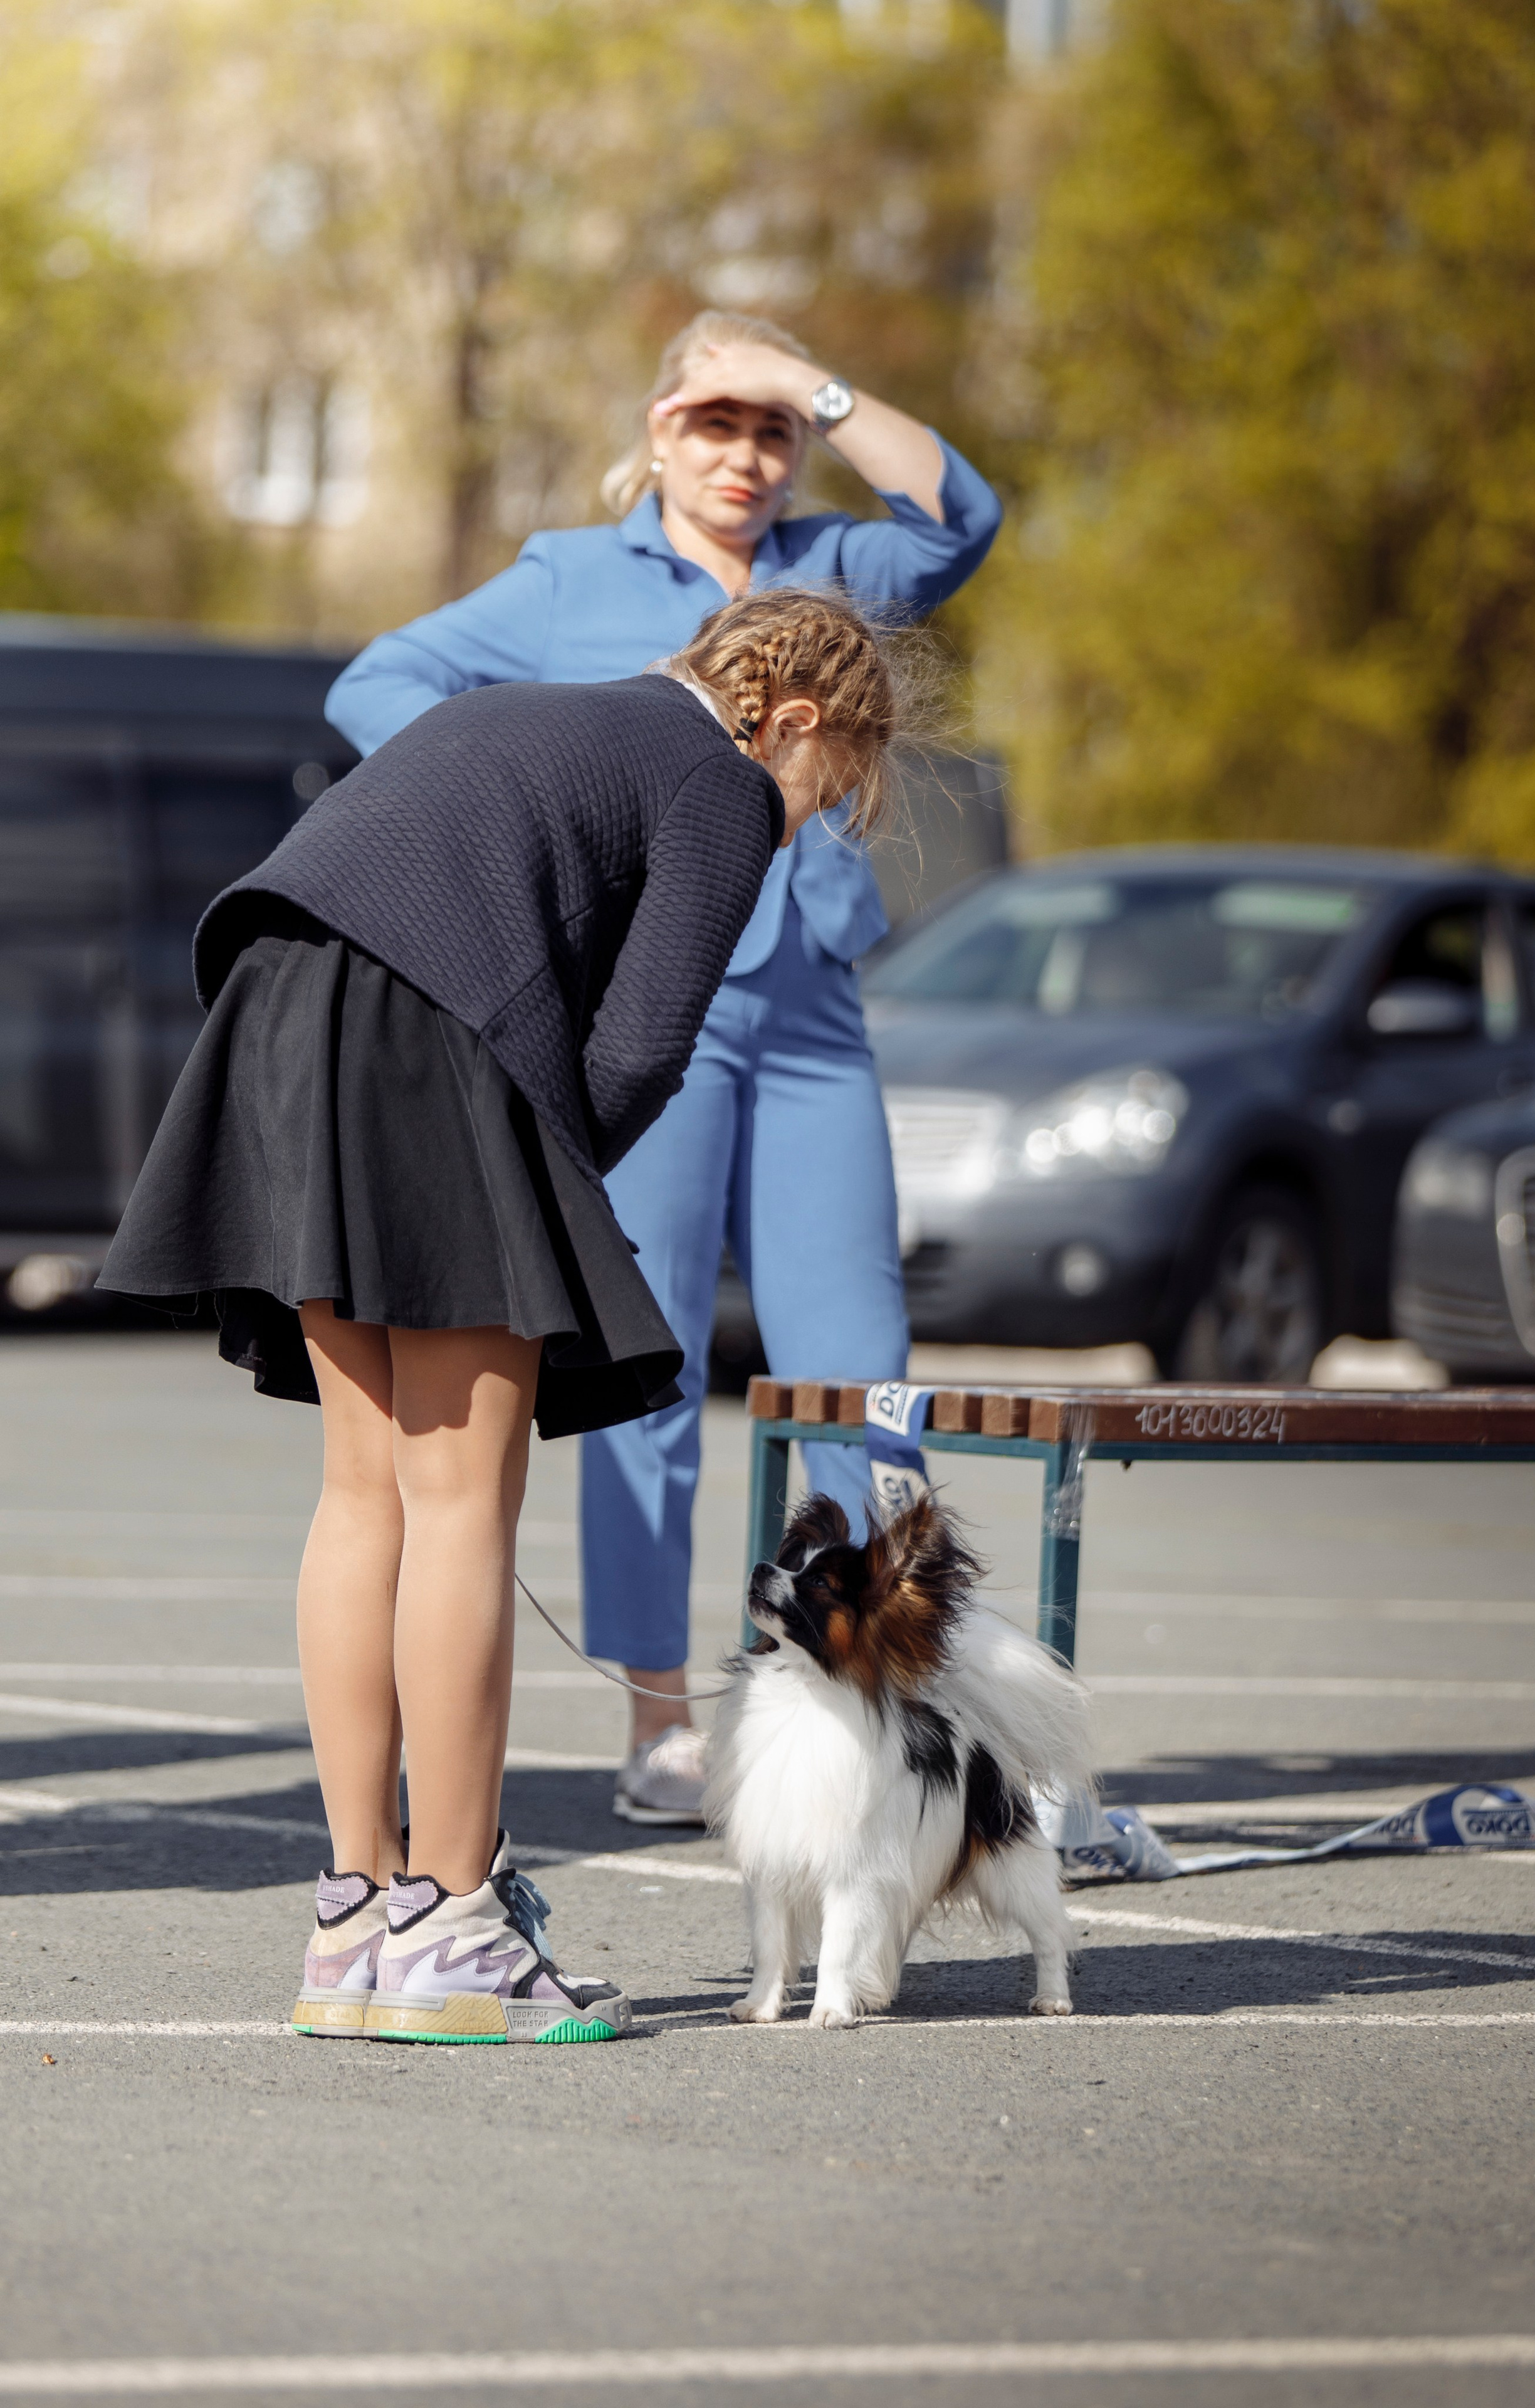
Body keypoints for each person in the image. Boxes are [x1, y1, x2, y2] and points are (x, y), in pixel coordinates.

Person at [98, 588, 901, 2045]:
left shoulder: (536, 715)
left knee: (366, 1496)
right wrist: (546, 1202)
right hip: (422, 1035)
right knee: (463, 1501)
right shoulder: (718, 781)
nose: (802, 827)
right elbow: (649, 1040)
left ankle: (356, 1917)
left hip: (281, 1009)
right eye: (825, 794)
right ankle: (456, 1924)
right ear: (787, 721)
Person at [325, 308, 1002, 1826]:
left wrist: (811, 381)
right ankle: (659, 1720)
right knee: (645, 1360)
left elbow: (965, 515)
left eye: (769, 429)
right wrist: (525, 814)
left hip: (810, 1007)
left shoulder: (839, 566)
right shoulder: (572, 575)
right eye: (713, 422)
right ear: (655, 434)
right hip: (649, 1001)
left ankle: (871, 1691)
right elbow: (376, 688)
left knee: (856, 1359)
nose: (745, 454)